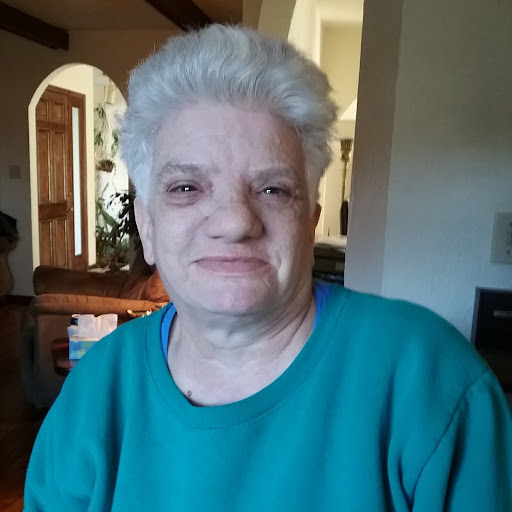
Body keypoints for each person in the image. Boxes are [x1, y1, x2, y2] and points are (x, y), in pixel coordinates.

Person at [24, 25, 512, 511]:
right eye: (187, 188)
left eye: (273, 189)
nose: (236, 221)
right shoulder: (95, 390)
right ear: (147, 226)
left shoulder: (432, 383)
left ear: (310, 223)